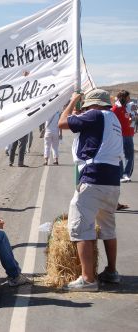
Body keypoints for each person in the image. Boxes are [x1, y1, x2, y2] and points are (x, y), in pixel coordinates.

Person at [58, 89, 122, 292]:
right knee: (107, 227)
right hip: (112, 179)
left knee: (80, 226)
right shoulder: (113, 118)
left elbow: (62, 123)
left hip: (94, 177)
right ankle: (112, 271)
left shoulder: (94, 115)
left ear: (92, 105)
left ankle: (87, 279)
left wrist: (73, 101)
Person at [112, 90, 134, 183]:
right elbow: (112, 121)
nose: (129, 99)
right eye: (128, 97)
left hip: (128, 135)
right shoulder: (115, 108)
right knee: (120, 155)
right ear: (123, 98)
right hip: (119, 135)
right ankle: (120, 175)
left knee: (130, 156)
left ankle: (126, 174)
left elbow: (126, 121)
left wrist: (132, 119)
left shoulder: (126, 108)